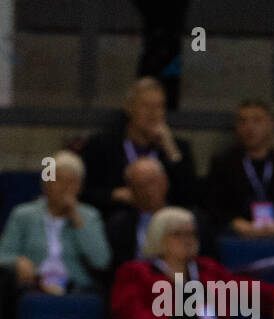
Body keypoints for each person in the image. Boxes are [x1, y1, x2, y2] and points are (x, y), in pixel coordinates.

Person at [103, 206, 274, 319]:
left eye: (191, 234)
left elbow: (241, 288)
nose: (187, 239)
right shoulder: (136, 271)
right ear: (159, 237)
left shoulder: (206, 268)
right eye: (178, 234)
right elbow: (131, 312)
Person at [80, 77, 198, 218]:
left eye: (159, 106)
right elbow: (85, 193)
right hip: (117, 220)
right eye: (146, 106)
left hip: (162, 222)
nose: (153, 113)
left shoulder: (177, 148)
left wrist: (171, 150)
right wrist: (114, 195)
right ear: (129, 107)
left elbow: (191, 196)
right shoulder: (101, 145)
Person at [0, 151, 111, 297]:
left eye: (72, 182)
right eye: (59, 180)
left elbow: (101, 261)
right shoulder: (24, 214)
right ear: (46, 183)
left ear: (80, 186)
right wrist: (18, 261)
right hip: (34, 288)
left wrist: (78, 221)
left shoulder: (90, 216)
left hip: (76, 290)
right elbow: (3, 255)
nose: (65, 188)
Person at [205, 99, 274, 241]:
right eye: (242, 121)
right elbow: (212, 206)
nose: (249, 127)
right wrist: (236, 223)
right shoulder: (223, 164)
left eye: (257, 121)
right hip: (237, 235)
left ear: (271, 124)